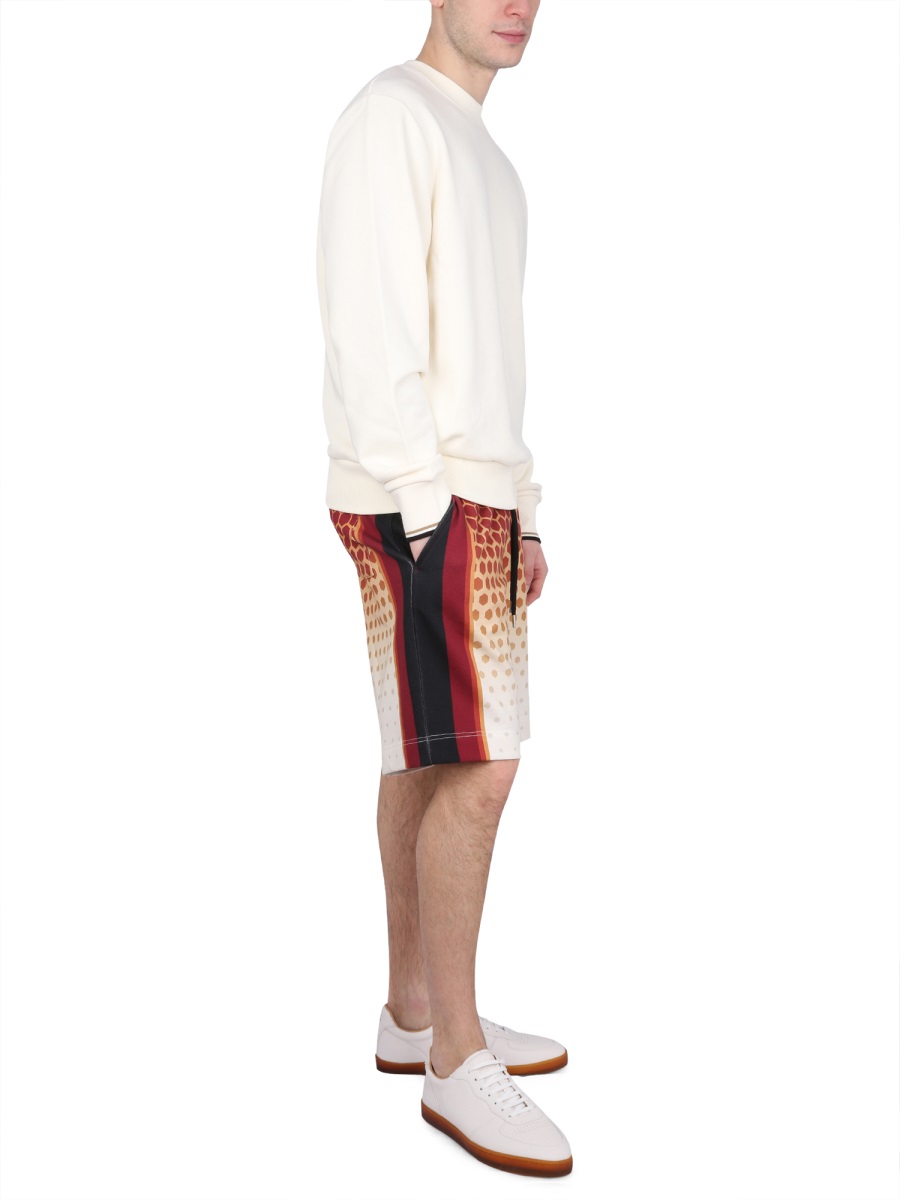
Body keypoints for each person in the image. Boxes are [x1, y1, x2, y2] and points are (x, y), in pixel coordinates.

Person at [315, 0, 572, 1179]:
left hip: (472, 496)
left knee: (424, 755)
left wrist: (523, 511)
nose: (519, 3)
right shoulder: (392, 114)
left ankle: (416, 1011)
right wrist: (432, 512)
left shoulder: (489, 158)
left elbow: (488, 362)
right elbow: (371, 332)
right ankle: (456, 1060)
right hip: (425, 496)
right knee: (481, 764)